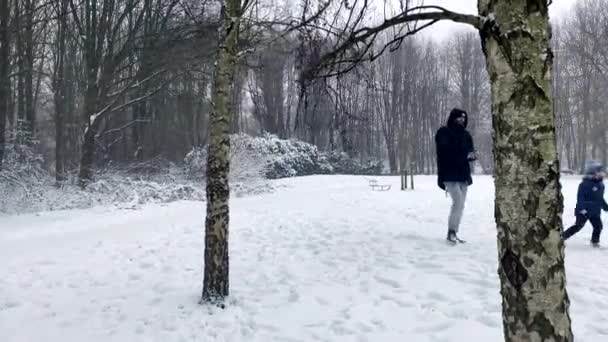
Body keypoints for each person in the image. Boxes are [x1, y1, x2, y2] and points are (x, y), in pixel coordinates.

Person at [435, 108, 476, 244]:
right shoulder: (443, 132)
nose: (461, 121)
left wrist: (471, 155)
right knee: (457, 202)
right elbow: (444, 151)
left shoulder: (466, 135)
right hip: (449, 173)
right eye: (459, 118)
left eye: (463, 119)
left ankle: (454, 231)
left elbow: (469, 150)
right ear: (453, 118)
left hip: (463, 173)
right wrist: (463, 153)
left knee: (461, 205)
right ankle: (451, 232)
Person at [561, 160, 608, 247]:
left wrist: (606, 207)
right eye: (599, 172)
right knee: (578, 226)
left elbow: (600, 199)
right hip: (584, 211)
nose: (602, 174)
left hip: (595, 212)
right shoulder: (585, 184)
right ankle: (562, 237)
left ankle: (595, 241)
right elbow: (580, 198)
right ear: (593, 173)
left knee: (598, 226)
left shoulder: (601, 185)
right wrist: (582, 209)